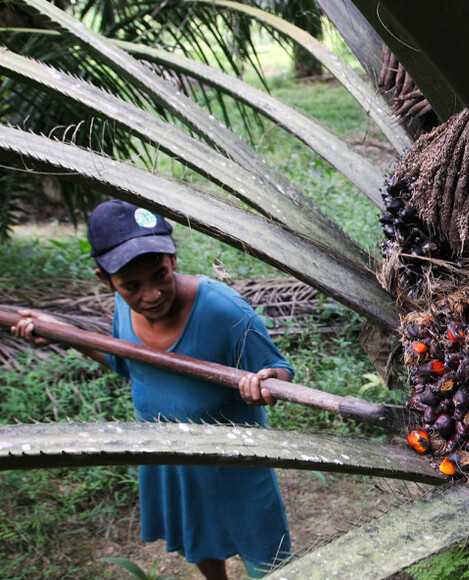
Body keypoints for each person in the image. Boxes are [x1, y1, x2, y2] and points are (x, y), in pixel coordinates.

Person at [12, 200, 293, 579]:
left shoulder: (225, 312)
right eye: (132, 286)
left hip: (234, 468)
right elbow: (122, 361)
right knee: (199, 542)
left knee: (267, 560)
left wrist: (264, 381)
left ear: (173, 258)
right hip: (169, 460)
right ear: (106, 280)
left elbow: (280, 371)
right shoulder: (122, 307)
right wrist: (60, 333)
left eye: (160, 275)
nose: (152, 294)